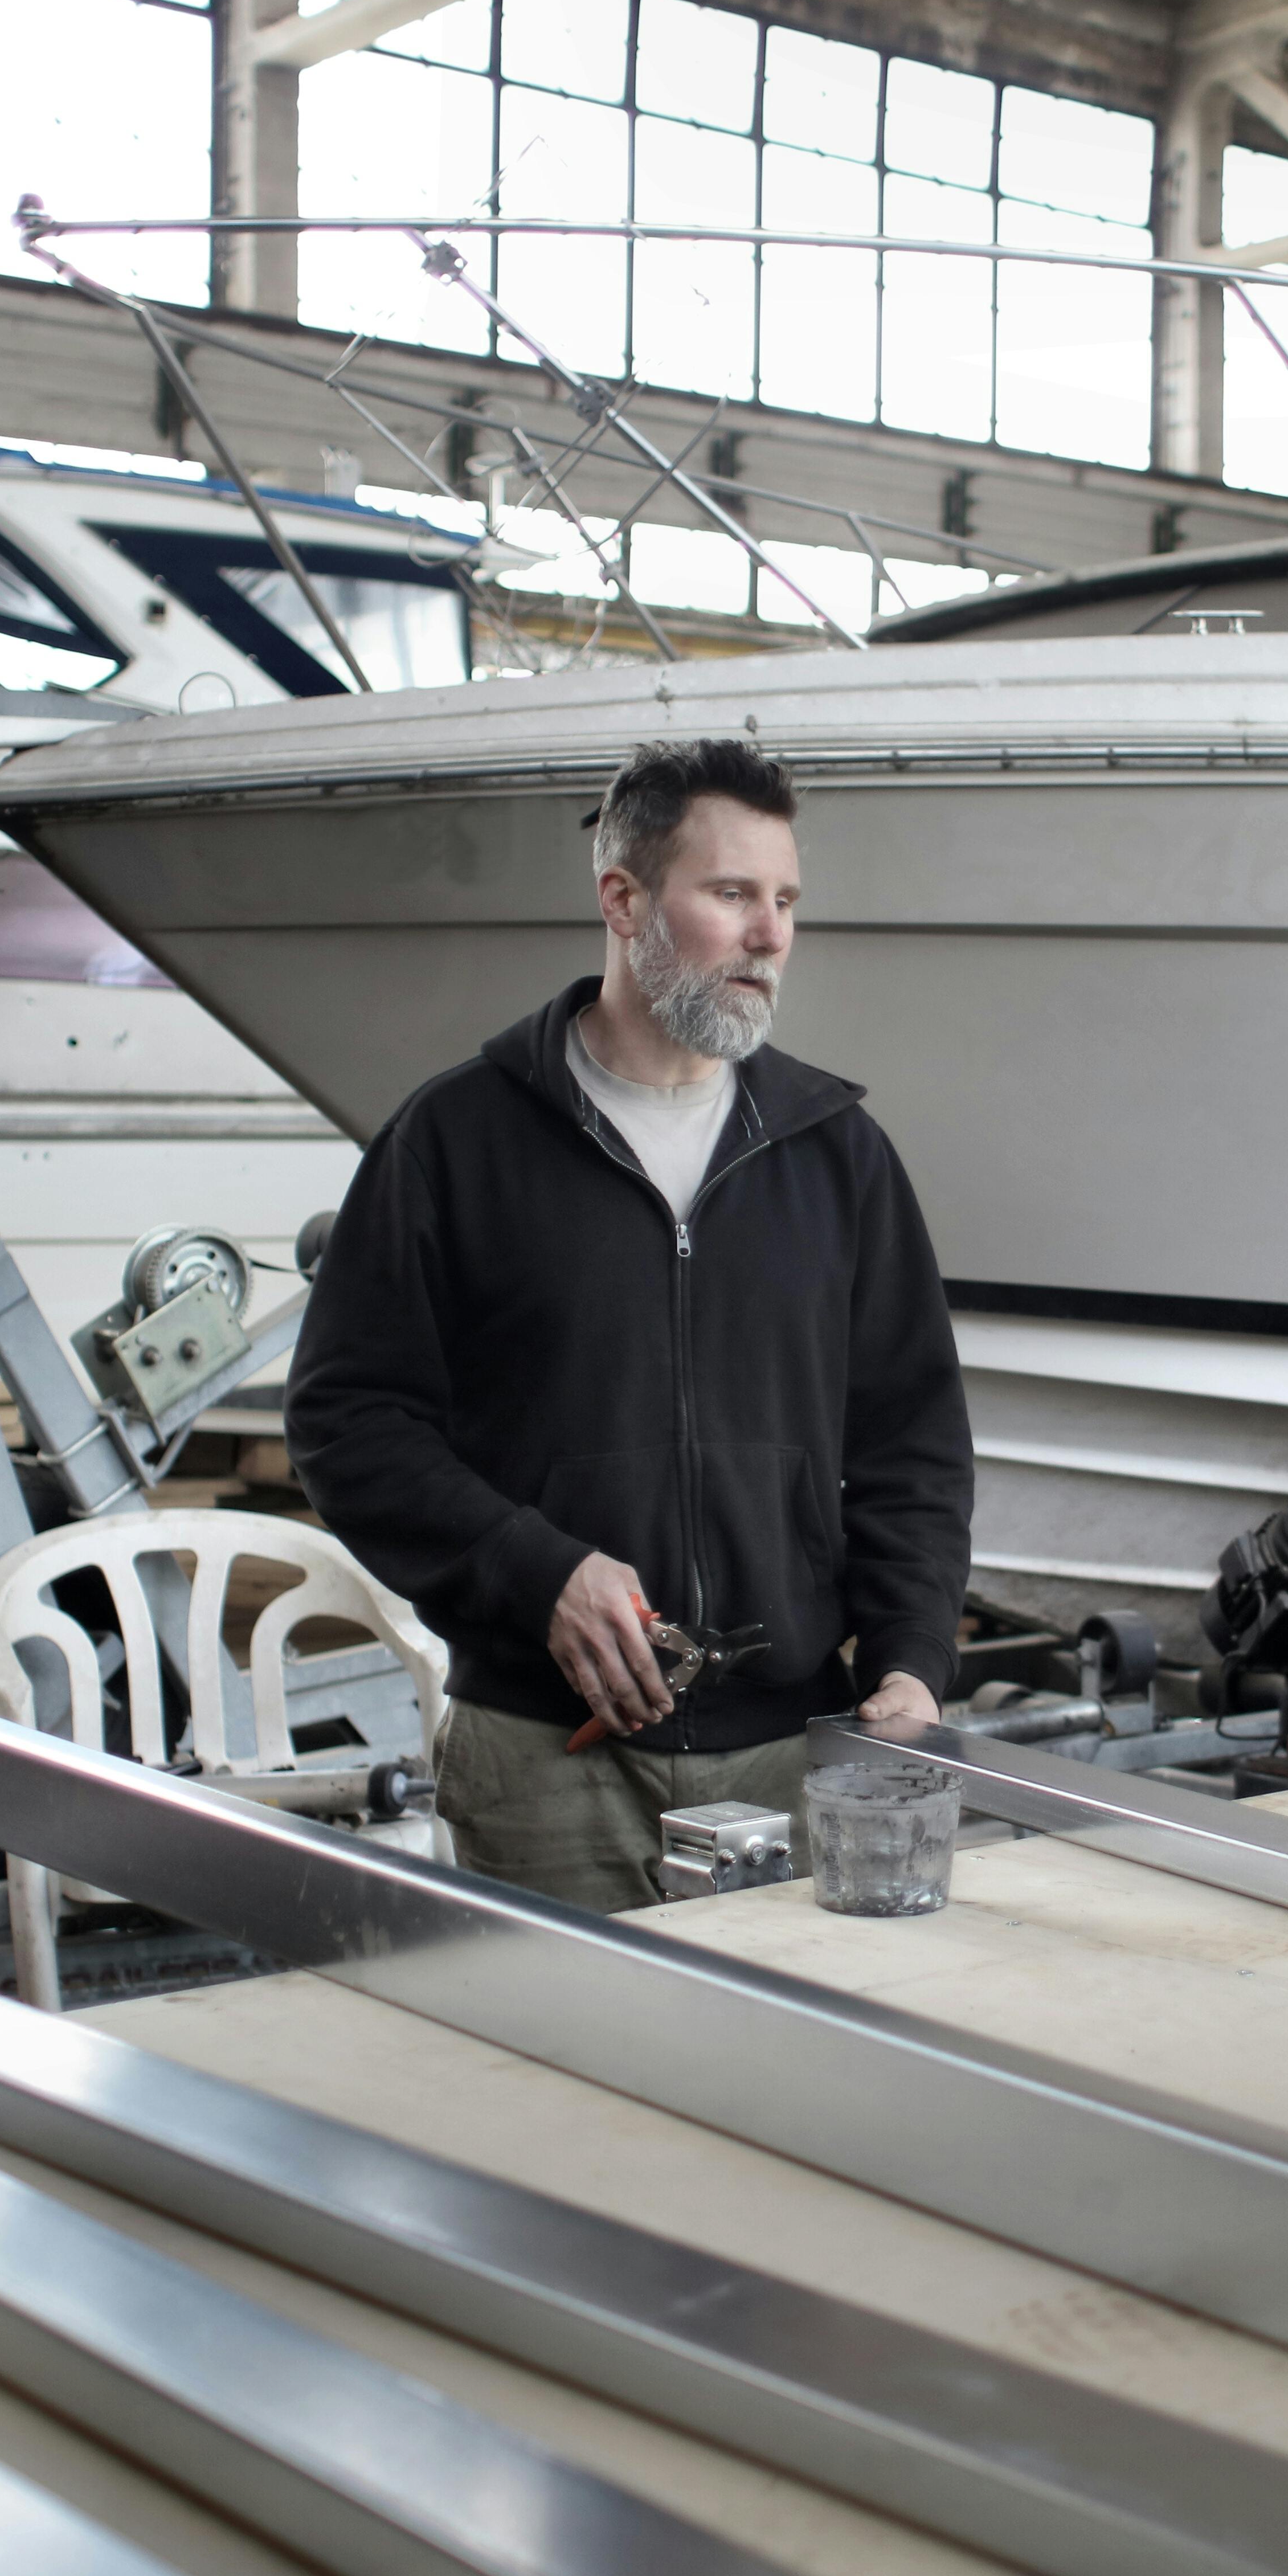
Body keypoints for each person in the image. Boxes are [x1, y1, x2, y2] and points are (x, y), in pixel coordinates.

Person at [285, 734, 972, 1912]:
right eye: (731, 894)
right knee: (556, 2091)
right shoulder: (455, 1142)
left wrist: (911, 1660)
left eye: (787, 899)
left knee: (783, 2093)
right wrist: (537, 1573)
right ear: (624, 899)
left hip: (792, 1750)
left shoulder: (837, 1155)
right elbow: (349, 1421)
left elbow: (910, 1440)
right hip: (543, 1769)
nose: (772, 936)